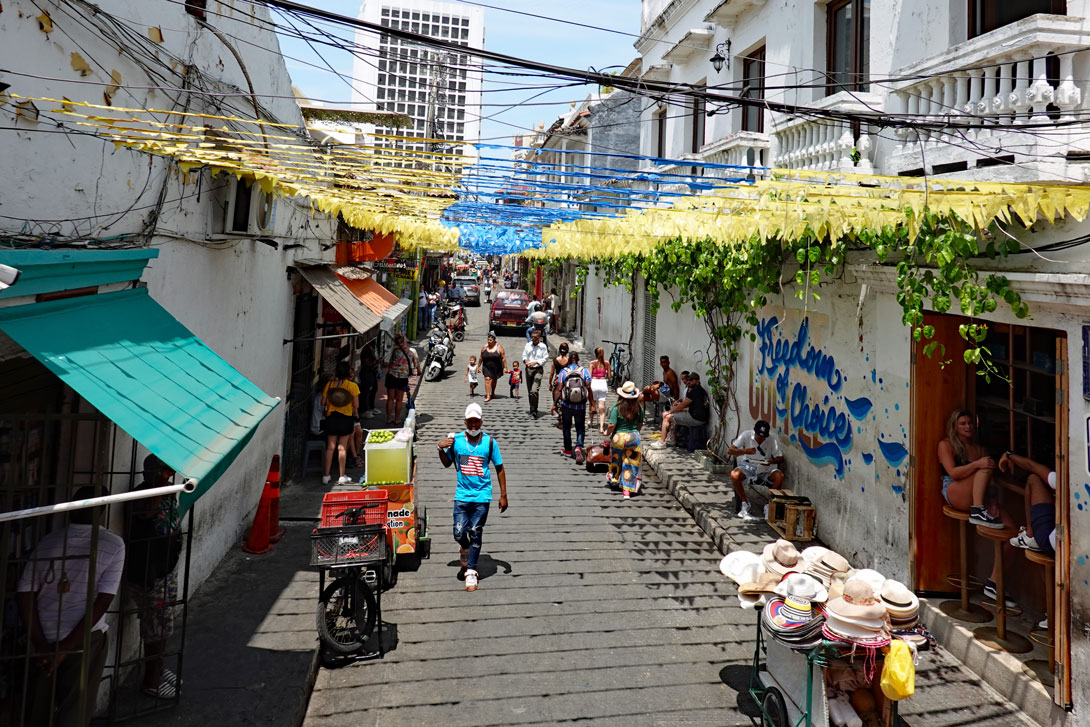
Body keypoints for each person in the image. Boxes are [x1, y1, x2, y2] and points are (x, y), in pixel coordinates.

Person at [18, 487, 126, 727]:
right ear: (103, 510)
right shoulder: (113, 545)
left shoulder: (49, 541)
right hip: (85, 638)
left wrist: (42, 645)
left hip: (43, 635)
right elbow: (103, 601)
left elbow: (24, 593)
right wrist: (64, 648)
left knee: (35, 709)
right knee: (75, 710)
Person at [938, 409, 1019, 606]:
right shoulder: (946, 445)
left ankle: (994, 582)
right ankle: (977, 510)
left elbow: (989, 484)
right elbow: (954, 473)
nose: (968, 427)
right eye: (963, 423)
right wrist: (978, 465)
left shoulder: (980, 449)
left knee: (1014, 534)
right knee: (984, 466)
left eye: (970, 423)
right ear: (955, 426)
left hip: (981, 498)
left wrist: (991, 501)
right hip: (954, 490)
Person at [125, 455, 184, 699]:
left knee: (165, 625)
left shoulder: (169, 491)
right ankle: (151, 681)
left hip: (164, 570)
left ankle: (158, 670)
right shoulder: (140, 496)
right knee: (156, 629)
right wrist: (159, 486)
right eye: (164, 472)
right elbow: (147, 513)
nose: (169, 476)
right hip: (149, 574)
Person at [437, 403, 509, 592]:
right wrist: (440, 448)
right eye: (470, 422)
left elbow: (499, 468)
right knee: (459, 532)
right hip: (462, 495)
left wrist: (503, 495)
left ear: (481, 422)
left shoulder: (489, 442)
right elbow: (447, 463)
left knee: (476, 531)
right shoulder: (457, 440)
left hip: (482, 496)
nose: (474, 426)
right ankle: (465, 550)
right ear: (465, 422)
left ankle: (471, 570)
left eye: (477, 422)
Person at [1000, 451, 1057, 556]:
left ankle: (1030, 536)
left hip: (1053, 544)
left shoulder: (1070, 479)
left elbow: (1032, 466)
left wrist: (1008, 455)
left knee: (1033, 479)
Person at [728, 420, 786, 521]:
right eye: (758, 436)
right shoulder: (746, 435)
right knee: (734, 475)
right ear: (754, 430)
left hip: (765, 468)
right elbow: (730, 450)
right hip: (748, 466)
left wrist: (771, 461)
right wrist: (744, 451)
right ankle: (745, 503)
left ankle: (769, 505)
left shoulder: (771, 439)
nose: (760, 439)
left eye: (763, 437)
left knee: (779, 476)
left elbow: (780, 458)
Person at [321, 361, 359, 484]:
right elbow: (356, 405)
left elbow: (322, 403)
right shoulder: (352, 386)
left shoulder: (330, 385)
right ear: (348, 372)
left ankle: (326, 476)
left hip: (331, 418)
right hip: (345, 418)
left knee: (330, 447)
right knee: (342, 448)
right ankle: (342, 476)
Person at [606, 382, 644, 500]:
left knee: (616, 458)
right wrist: (635, 433)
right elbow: (640, 423)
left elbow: (612, 424)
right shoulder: (639, 408)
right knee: (630, 463)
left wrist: (606, 433)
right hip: (633, 436)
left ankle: (614, 479)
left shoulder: (616, 408)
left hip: (619, 437)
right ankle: (627, 490)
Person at [652, 372, 710, 448]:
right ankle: (672, 438)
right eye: (688, 380)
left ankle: (662, 442)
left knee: (667, 417)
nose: (689, 382)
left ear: (697, 381)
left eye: (692, 380)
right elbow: (690, 405)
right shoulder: (697, 389)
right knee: (675, 413)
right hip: (697, 415)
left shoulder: (695, 391)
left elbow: (683, 405)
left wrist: (669, 412)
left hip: (696, 419)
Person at [558, 352, 592, 462]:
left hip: (566, 405)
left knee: (567, 426)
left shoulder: (563, 372)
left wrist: (554, 404)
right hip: (581, 405)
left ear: (568, 359)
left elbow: (559, 388)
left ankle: (568, 449)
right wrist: (592, 404)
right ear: (578, 359)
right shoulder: (584, 371)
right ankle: (578, 446)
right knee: (580, 427)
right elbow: (588, 387)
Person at [384, 333, 419, 426]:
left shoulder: (393, 351)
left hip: (391, 376)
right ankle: (397, 419)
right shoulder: (411, 351)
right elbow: (416, 365)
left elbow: (386, 363)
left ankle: (388, 419)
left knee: (390, 399)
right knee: (399, 400)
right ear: (404, 341)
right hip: (403, 378)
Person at [521, 328, 549, 418]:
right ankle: (532, 408)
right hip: (528, 369)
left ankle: (535, 410)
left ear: (539, 338)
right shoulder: (528, 345)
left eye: (535, 337)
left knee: (534, 390)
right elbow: (524, 355)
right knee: (530, 391)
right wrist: (525, 361)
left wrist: (536, 362)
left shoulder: (543, 346)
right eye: (532, 337)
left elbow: (545, 358)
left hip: (538, 369)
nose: (533, 339)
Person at [478, 332, 507, 402]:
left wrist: (505, 367)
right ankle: (488, 396)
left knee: (494, 380)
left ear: (494, 340)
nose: (489, 341)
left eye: (490, 340)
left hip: (496, 367)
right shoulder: (484, 347)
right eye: (488, 340)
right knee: (487, 379)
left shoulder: (499, 347)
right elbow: (481, 358)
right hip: (486, 366)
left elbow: (503, 358)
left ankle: (493, 392)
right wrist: (478, 366)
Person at [548, 342, 572, 425]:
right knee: (566, 400)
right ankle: (565, 417)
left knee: (557, 400)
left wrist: (550, 383)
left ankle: (560, 419)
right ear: (567, 350)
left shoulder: (555, 360)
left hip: (557, 381)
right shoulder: (570, 360)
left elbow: (551, 373)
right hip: (567, 381)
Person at [589, 347, 611, 434]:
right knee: (602, 407)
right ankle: (601, 427)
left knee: (592, 403)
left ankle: (591, 421)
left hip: (594, 383)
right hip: (602, 383)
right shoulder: (607, 363)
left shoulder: (592, 363)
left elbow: (589, 376)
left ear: (595, 354)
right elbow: (609, 376)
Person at [358, 345, 380, 418]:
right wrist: (376, 362)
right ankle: (364, 410)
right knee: (365, 392)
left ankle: (371, 407)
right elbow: (366, 362)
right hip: (366, 373)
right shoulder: (366, 349)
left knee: (373, 389)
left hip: (372, 372)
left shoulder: (372, 347)